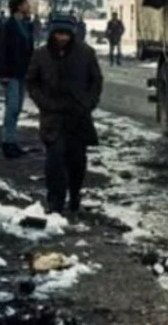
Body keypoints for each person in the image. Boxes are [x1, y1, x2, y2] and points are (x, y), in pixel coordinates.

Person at [25, 13, 103, 214]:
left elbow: (96, 81)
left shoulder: (85, 53)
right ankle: (55, 203)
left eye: (66, 34)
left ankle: (75, 194)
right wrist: (43, 102)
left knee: (77, 160)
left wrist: (88, 103)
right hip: (53, 117)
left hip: (78, 116)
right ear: (51, 33)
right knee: (55, 160)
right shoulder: (41, 55)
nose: (62, 38)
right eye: (58, 33)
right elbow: (32, 81)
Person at [0, 0, 35, 159]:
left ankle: (12, 141)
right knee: (11, 108)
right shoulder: (8, 26)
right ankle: (7, 142)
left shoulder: (26, 24)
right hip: (11, 73)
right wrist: (2, 73)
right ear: (18, 6)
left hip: (22, 72)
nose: (28, 5)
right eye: (26, 3)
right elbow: (0, 49)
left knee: (17, 108)